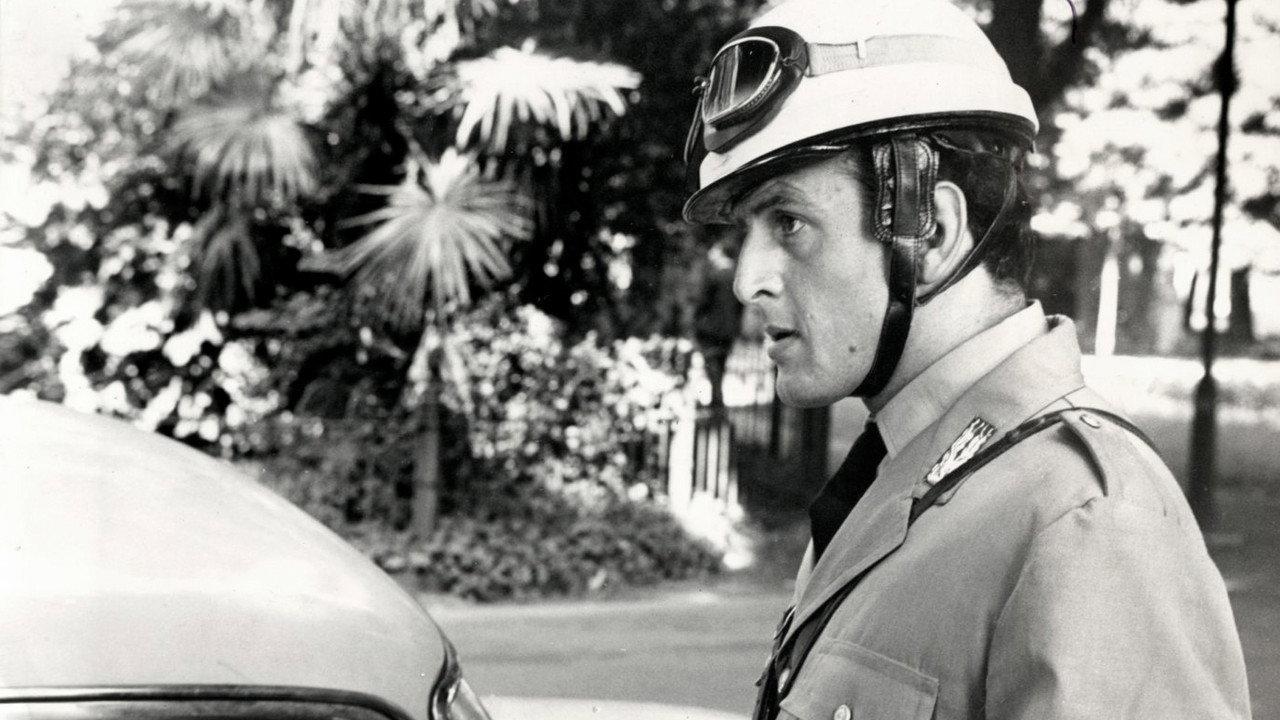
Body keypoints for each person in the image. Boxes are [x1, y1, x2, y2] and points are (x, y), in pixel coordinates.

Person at [681, 0, 1252, 717]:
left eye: (789, 222)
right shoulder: (907, 472)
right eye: (747, 230)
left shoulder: (1085, 520)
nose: (746, 278)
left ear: (934, 233)